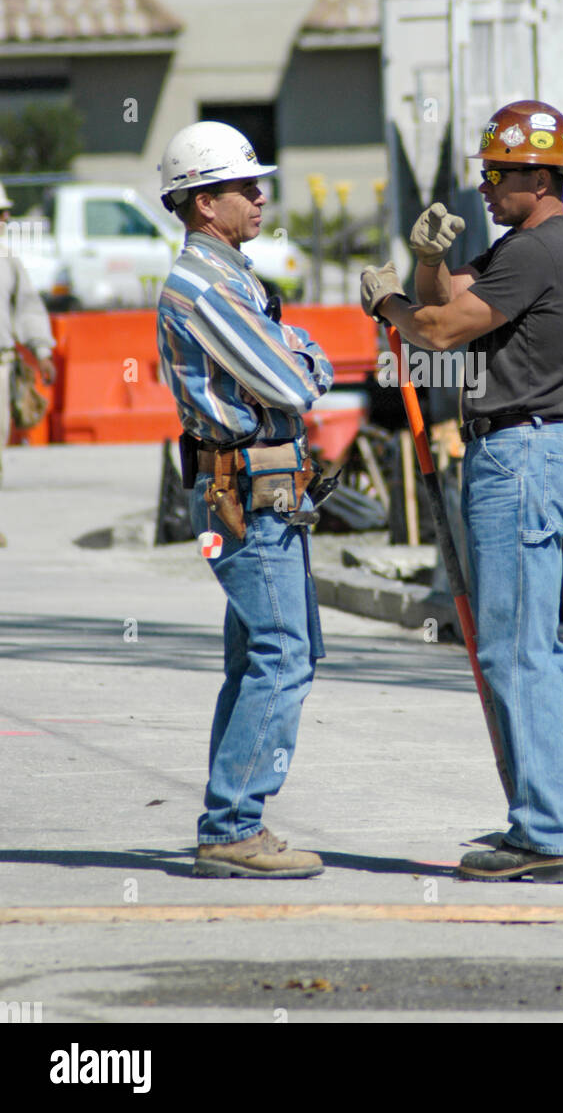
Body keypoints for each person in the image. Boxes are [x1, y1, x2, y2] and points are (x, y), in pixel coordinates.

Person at [361, 100, 563, 882]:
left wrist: (386, 304)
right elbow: (445, 296)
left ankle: (544, 835)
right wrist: (426, 262)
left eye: (500, 174)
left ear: (543, 175)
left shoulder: (536, 253)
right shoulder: (532, 248)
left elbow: (434, 330)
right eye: (487, 173)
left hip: (518, 456)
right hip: (534, 452)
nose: (489, 186)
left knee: (511, 649)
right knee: (542, 650)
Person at [156, 122, 334, 879]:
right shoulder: (206, 289)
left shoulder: (237, 281)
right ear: (202, 204)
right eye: (242, 188)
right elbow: (301, 381)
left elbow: (298, 362)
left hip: (265, 491)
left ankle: (231, 817)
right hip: (246, 495)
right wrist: (296, 349)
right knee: (282, 655)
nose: (259, 197)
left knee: (264, 655)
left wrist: (290, 346)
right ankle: (232, 823)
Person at [0, 180, 56, 493]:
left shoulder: (7, 260)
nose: (5, 219)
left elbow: (27, 308)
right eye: (0, 212)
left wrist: (43, 351)